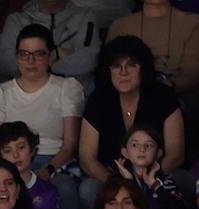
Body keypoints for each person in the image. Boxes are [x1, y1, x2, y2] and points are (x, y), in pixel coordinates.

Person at [0, 27, 84, 209]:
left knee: (64, 188)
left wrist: (47, 170)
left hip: (55, 162)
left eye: (38, 54)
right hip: (12, 160)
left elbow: (70, 143)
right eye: (24, 54)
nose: (31, 61)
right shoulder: (0, 92)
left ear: (50, 57)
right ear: (16, 57)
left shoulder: (66, 88)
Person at [79, 36, 186, 191]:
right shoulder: (98, 100)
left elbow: (176, 154)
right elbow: (87, 159)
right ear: (108, 70)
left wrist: (148, 181)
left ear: (142, 68)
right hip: (113, 178)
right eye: (116, 66)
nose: (123, 72)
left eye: (131, 65)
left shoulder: (163, 96)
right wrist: (119, 184)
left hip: (158, 175)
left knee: (180, 181)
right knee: (88, 189)